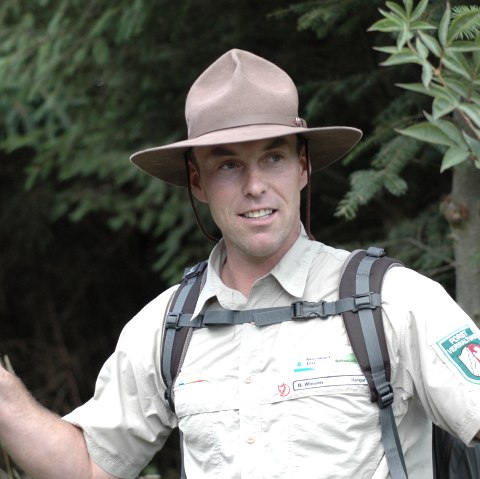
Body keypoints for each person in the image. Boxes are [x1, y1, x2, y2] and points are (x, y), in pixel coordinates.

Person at [0, 48, 479, 479]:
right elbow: (88, 468)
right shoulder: (168, 327)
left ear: (303, 167)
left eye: (273, 158)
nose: (255, 186)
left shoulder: (393, 301)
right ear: (197, 181)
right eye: (228, 165)